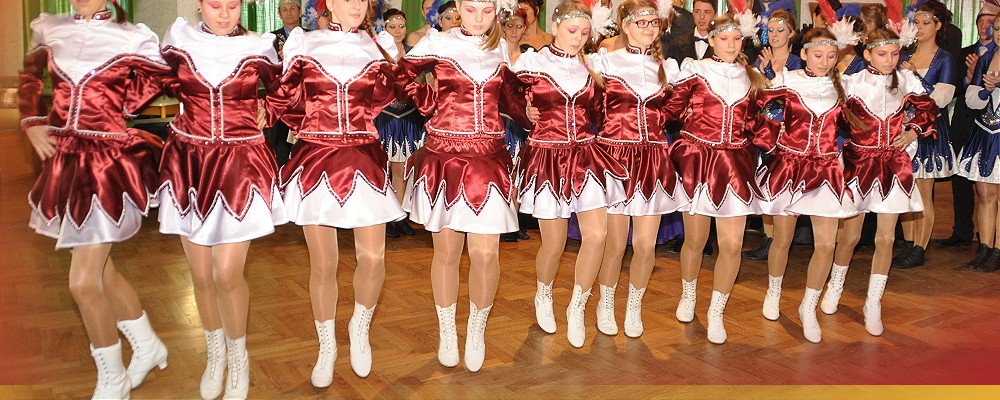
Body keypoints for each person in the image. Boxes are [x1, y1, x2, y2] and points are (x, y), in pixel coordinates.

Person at [19, 1, 171, 398]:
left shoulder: (133, 36)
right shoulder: (49, 26)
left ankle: (113, 378)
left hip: (106, 165)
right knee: (102, 273)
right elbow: (30, 77)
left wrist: (120, 103)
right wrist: (32, 121)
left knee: (83, 283)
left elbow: (159, 77)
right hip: (64, 162)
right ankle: (148, 345)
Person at [158, 1, 288, 397]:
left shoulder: (258, 46)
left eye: (233, 4)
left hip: (240, 165)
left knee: (227, 273)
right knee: (200, 275)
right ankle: (215, 354)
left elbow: (286, 87)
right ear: (199, 5)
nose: (225, 13)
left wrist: (268, 108)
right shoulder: (179, 41)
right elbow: (155, 82)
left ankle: (238, 356)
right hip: (189, 164)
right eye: (215, 4)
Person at [272, 0, 403, 385]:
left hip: (364, 155)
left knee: (374, 257)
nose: (356, 5)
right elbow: (285, 101)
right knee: (324, 263)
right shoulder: (304, 43)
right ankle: (326, 344)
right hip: (316, 157)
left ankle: (360, 327)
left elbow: (390, 96)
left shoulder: (378, 47)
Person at [395, 0, 521, 372]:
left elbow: (510, 99)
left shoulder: (501, 47)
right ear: (458, 9)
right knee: (447, 252)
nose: (479, 17)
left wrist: (527, 113)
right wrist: (427, 101)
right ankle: (447, 330)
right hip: (445, 158)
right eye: (471, 9)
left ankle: (477, 330)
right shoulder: (438, 42)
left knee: (486, 254)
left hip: (489, 159)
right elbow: (399, 76)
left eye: (486, 10)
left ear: (497, 11)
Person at [509, 0, 627, 349]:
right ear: (555, 28)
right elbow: (506, 94)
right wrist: (524, 113)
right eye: (572, 31)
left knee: (597, 235)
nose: (578, 38)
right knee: (554, 243)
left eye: (585, 33)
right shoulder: (533, 62)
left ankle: (578, 306)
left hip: (587, 155)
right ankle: (543, 292)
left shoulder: (593, 66)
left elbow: (603, 110)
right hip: (547, 156)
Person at [663, 10, 768, 344]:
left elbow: (755, 124)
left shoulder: (751, 77)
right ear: (711, 40)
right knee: (696, 240)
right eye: (724, 39)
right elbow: (669, 110)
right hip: (698, 162)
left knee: (733, 244)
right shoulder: (696, 71)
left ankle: (717, 311)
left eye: (737, 39)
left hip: (736, 165)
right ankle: (689, 294)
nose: (732, 45)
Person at [827, 27, 939, 336]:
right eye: (882, 54)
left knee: (886, 238)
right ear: (867, 55)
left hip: (893, 164)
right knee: (850, 236)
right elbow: (832, 116)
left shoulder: (906, 80)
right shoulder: (852, 83)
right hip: (859, 165)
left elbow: (929, 109)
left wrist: (914, 130)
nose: (889, 60)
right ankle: (835, 286)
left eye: (894, 54)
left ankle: (873, 302)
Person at [755, 27, 860, 343]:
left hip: (826, 170)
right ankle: (774, 291)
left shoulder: (844, 87)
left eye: (830, 56)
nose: (824, 61)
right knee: (782, 239)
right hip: (789, 167)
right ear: (803, 54)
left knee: (826, 244)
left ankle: (808, 306)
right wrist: (774, 136)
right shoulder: (788, 80)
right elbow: (760, 113)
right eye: (818, 55)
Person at [590, 0, 686, 339]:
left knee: (645, 245)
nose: (648, 28)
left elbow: (677, 108)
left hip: (653, 160)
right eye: (640, 22)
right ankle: (605, 303)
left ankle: (634, 306)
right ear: (625, 26)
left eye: (653, 23)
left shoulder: (667, 68)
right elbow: (584, 101)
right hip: (616, 158)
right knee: (616, 244)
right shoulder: (606, 62)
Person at [894, 0, 959, 268]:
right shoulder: (903, 54)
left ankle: (920, 247)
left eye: (925, 23)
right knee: (904, 188)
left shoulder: (945, 58)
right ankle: (909, 243)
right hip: (902, 129)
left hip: (928, 130)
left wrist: (917, 77)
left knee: (923, 191)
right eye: (916, 22)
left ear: (938, 25)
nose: (919, 27)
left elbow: (941, 99)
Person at [941, 9, 996, 247]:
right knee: (960, 177)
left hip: (991, 124)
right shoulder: (965, 53)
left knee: (990, 184)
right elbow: (953, 88)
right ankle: (962, 230)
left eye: (990, 22)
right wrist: (970, 78)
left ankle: (989, 238)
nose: (985, 26)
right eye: (980, 22)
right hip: (965, 120)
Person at [376, 8, 426, 238]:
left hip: (408, 117)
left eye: (401, 26)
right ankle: (383, 217)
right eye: (392, 26)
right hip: (385, 117)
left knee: (402, 170)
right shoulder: (377, 54)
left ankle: (399, 216)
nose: (397, 31)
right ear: (384, 28)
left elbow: (421, 83)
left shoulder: (415, 54)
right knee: (382, 169)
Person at [958, 16, 1000, 272]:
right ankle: (984, 247)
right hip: (984, 132)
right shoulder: (986, 58)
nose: (999, 33)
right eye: (997, 28)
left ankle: (998, 250)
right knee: (985, 194)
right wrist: (985, 91)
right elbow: (971, 98)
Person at [499, 7, 533, 243]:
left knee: (518, 170)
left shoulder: (529, 56)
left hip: (520, 120)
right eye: (509, 26)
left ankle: (513, 220)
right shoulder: (494, 52)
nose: (514, 30)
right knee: (500, 169)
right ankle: (499, 220)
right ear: (502, 27)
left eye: (519, 26)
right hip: (497, 117)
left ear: (524, 29)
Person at [268, 0, 306, 167]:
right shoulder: (271, 38)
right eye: (284, 9)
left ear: (300, 12)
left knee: (305, 149)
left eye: (292, 8)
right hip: (281, 99)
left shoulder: (311, 36)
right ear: (279, 14)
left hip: (306, 99)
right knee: (280, 147)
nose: (289, 12)